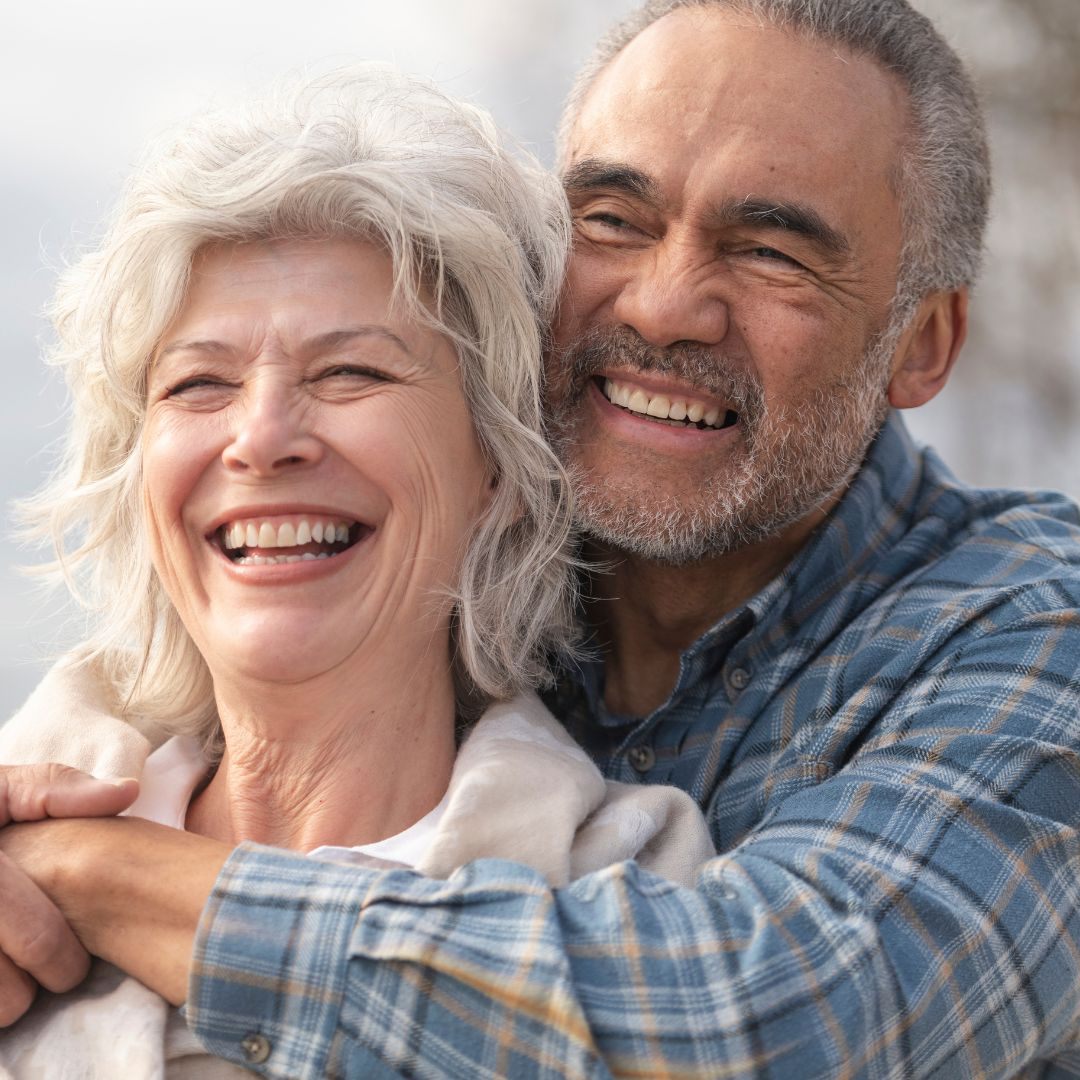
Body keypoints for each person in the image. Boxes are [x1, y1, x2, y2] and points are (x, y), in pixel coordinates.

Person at [2, 0, 1079, 1075]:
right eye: (612, 219)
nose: (664, 307)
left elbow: (776, 1024)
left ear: (922, 342)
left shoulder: (1033, 628)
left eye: (768, 252)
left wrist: (94, 875)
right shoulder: (423, 559)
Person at [0, 66, 715, 1076]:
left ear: (499, 471)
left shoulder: (634, 890)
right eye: (198, 384)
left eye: (350, 373)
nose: (261, 438)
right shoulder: (20, 830)